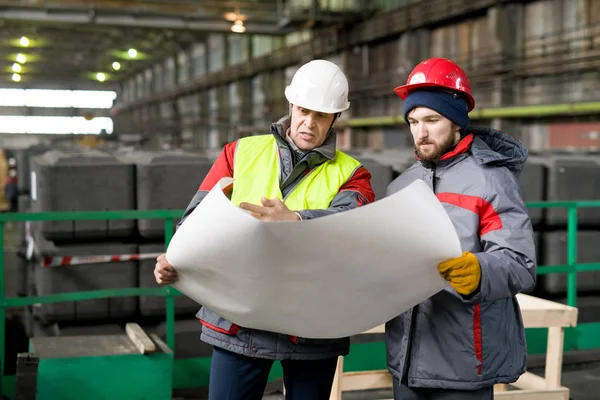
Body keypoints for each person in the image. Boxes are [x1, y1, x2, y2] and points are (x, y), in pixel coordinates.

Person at [154, 59, 375, 400]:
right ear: (291, 105)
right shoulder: (239, 153)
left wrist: (298, 221)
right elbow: (196, 220)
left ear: (336, 118)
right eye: (304, 111)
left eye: (321, 115)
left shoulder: (353, 174)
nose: (309, 123)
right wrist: (176, 258)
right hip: (238, 320)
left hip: (311, 327)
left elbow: (354, 228)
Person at [385, 57, 536, 399]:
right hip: (406, 357)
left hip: (464, 362)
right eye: (412, 121)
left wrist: (480, 270)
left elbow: (519, 262)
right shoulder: (403, 186)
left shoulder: (492, 181)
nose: (420, 132)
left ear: (456, 122)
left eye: (431, 120)